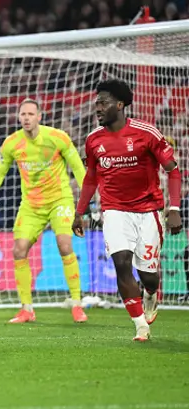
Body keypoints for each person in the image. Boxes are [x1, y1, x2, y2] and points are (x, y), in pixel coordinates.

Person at [73, 79, 182, 342]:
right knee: (121, 263)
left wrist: (175, 208)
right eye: (96, 102)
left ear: (120, 105)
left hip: (149, 210)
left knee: (148, 276)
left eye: (103, 102)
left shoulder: (147, 133)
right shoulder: (93, 140)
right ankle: (140, 326)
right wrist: (80, 211)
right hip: (114, 210)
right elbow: (91, 177)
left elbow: (173, 171)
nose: (97, 107)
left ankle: (151, 293)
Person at [0, 99, 88, 324]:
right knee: (19, 250)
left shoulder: (57, 138)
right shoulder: (11, 143)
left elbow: (77, 167)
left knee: (64, 245)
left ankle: (77, 304)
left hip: (59, 200)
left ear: (39, 117)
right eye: (22, 114)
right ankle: (27, 309)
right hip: (31, 205)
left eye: (30, 114)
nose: (26, 118)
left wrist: (89, 202)